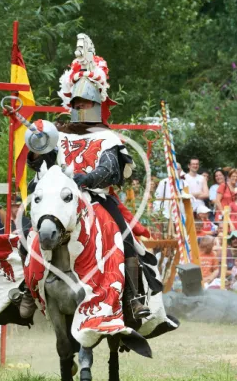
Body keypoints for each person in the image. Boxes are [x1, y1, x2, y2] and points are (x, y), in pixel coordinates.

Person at [26, 34, 159, 322]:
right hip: (58, 200)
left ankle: (133, 296)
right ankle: (25, 290)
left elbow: (110, 170)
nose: (81, 108)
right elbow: (41, 166)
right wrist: (37, 148)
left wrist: (83, 179)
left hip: (95, 198)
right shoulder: (57, 135)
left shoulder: (107, 137)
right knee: (28, 230)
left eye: (87, 103)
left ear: (97, 104)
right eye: (77, 103)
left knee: (124, 238)